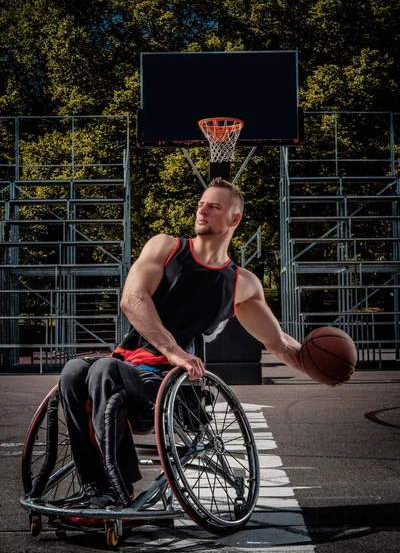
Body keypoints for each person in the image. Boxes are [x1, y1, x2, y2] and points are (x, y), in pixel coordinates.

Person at [59, 177, 304, 509]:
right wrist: (172, 350)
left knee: (103, 370)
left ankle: (117, 489)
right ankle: (95, 486)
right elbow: (132, 299)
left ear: (235, 219)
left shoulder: (241, 283)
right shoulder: (166, 246)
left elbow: (278, 341)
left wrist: (324, 370)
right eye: (201, 203)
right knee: (75, 370)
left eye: (214, 206)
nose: (202, 210)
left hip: (171, 387)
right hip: (129, 370)